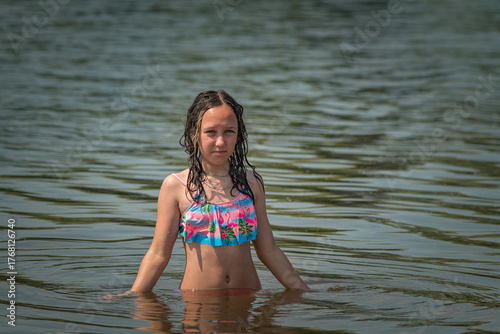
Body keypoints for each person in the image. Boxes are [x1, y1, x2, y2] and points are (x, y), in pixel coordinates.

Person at [130, 90, 310, 292]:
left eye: (229, 132)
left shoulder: (251, 183)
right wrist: (132, 296)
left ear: (238, 134)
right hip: (198, 306)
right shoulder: (176, 186)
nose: (220, 142)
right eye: (211, 132)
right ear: (193, 133)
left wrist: (304, 291)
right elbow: (158, 254)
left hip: (247, 300)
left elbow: (269, 251)